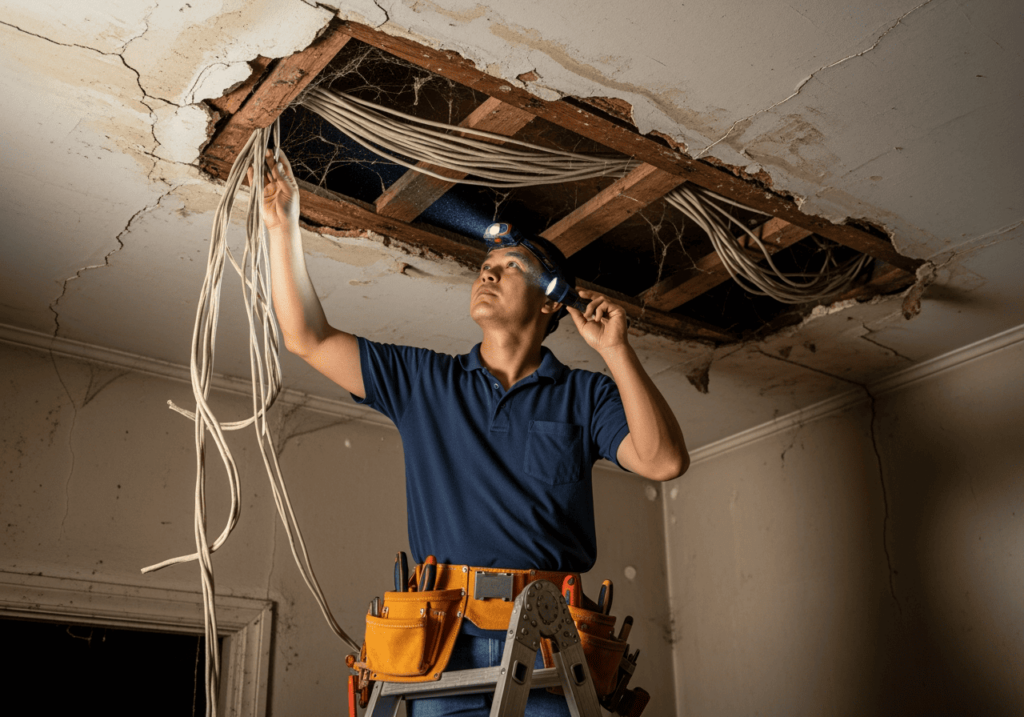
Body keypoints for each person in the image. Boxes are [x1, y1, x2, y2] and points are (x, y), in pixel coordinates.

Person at [255, 149, 689, 715]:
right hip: (442, 638)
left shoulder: (587, 395)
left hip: (550, 640)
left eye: (510, 267)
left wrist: (615, 351)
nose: (488, 270)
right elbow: (305, 337)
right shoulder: (422, 380)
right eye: (488, 264)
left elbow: (662, 462)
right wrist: (281, 225)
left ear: (551, 303)